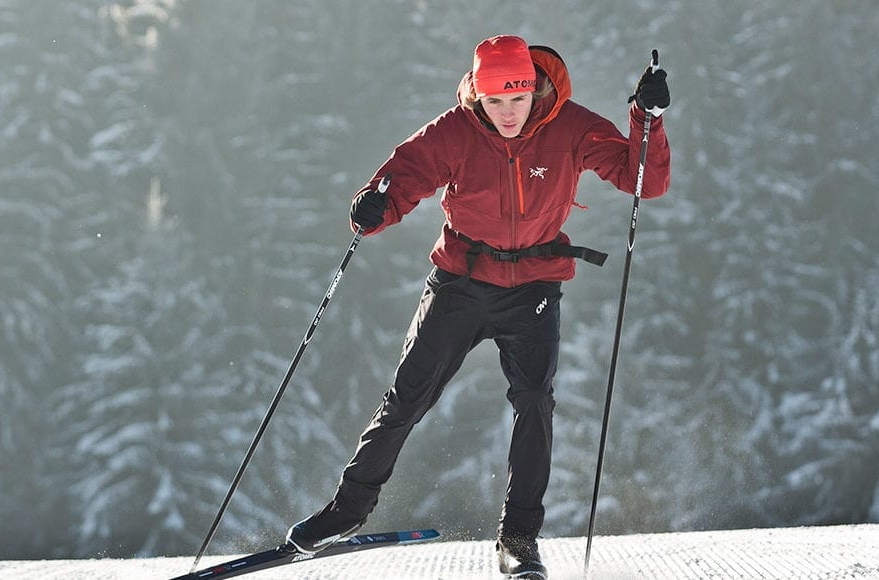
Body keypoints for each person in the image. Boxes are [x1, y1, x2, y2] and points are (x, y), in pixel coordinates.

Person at [284, 35, 671, 578]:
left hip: (533, 286)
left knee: (534, 400)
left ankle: (519, 542)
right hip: (461, 283)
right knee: (409, 395)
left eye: (517, 100)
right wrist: (373, 206)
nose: (507, 113)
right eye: (495, 102)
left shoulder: (571, 126)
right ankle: (346, 511)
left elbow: (642, 180)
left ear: (534, 90)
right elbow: (403, 177)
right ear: (476, 95)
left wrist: (645, 119)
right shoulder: (455, 131)